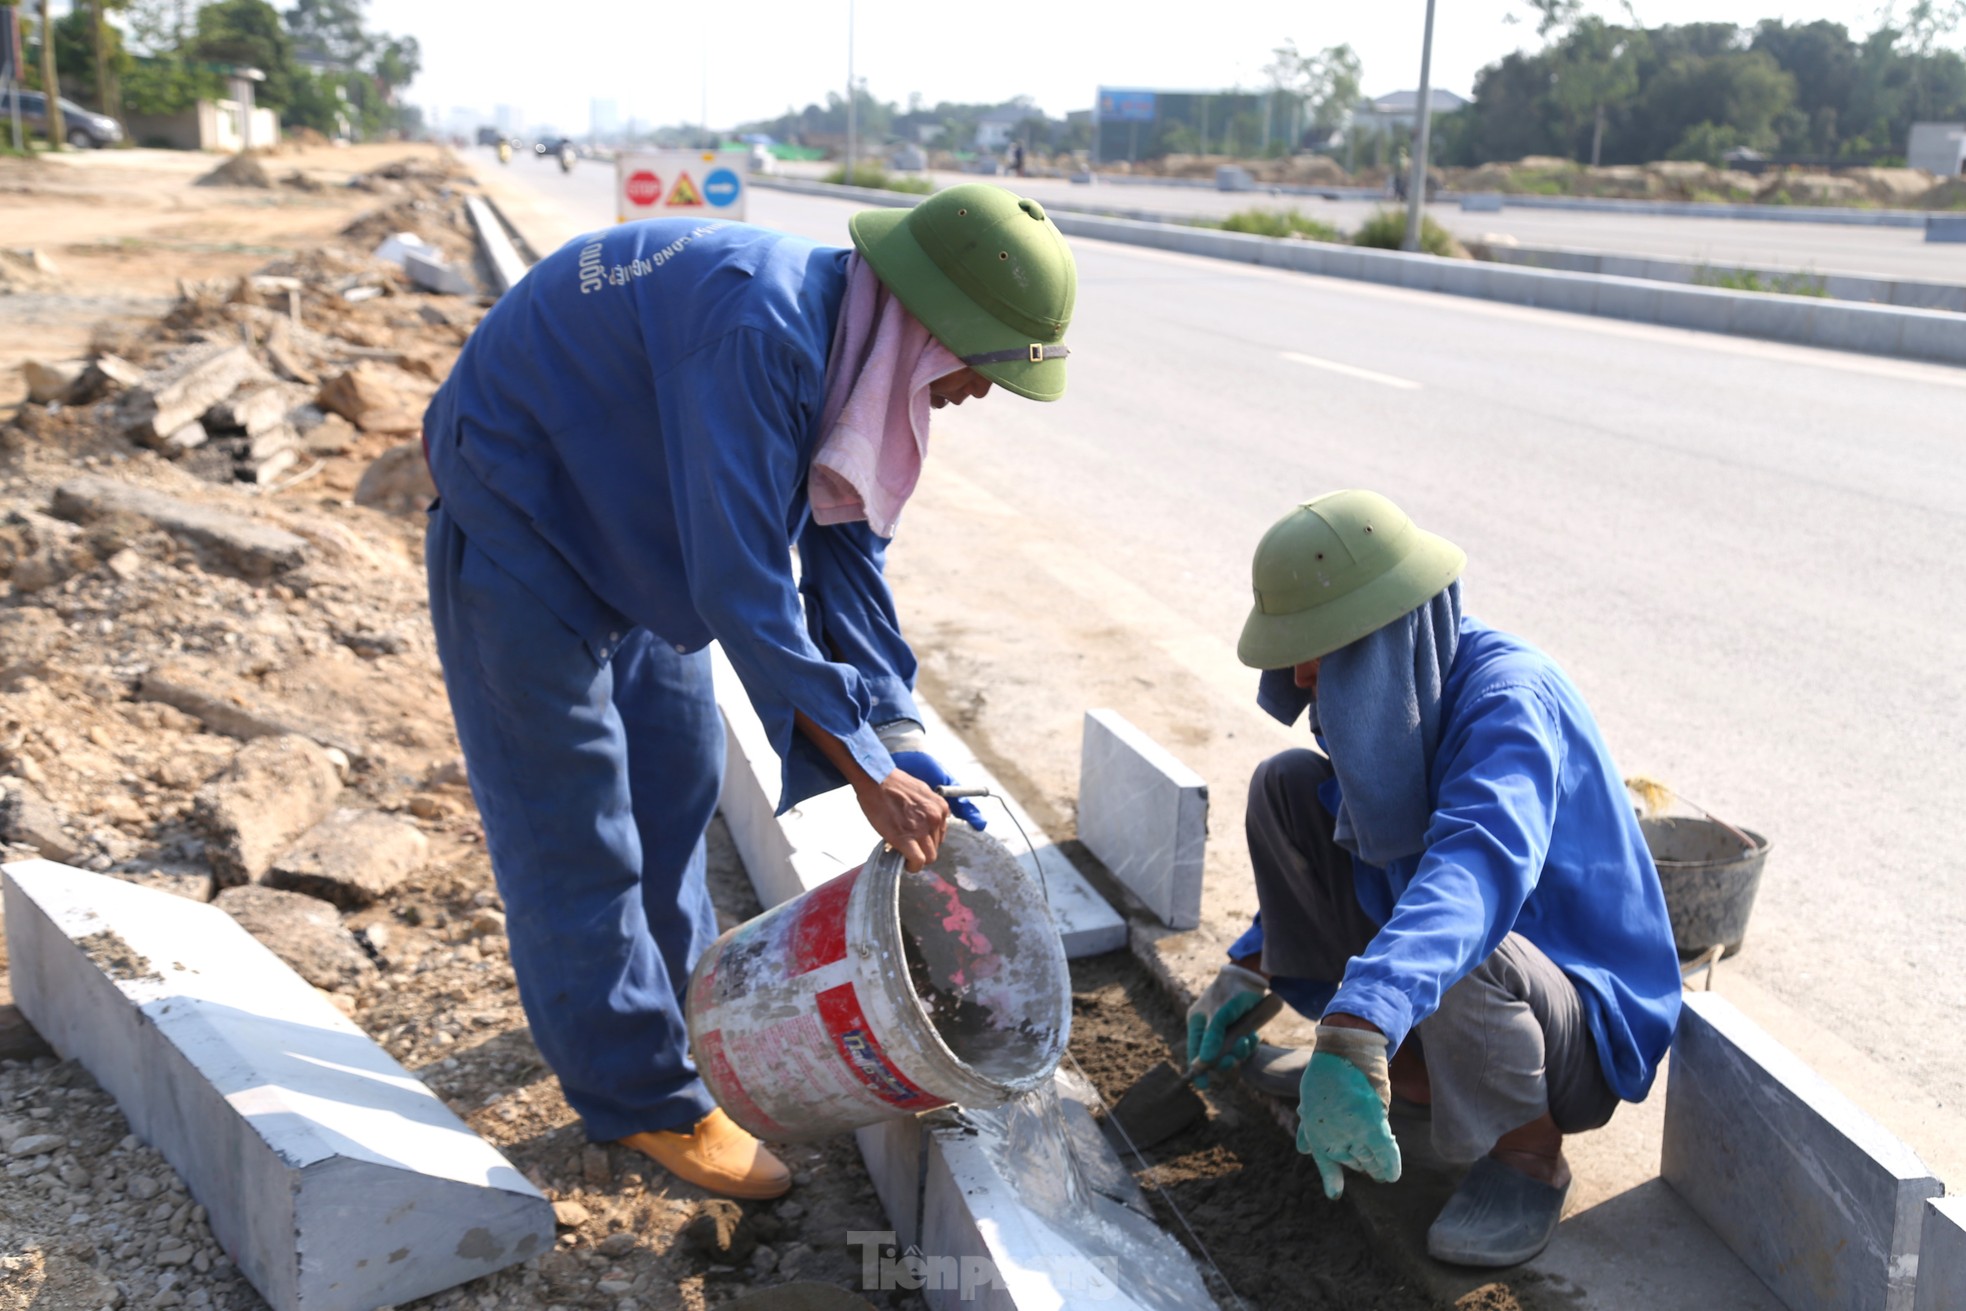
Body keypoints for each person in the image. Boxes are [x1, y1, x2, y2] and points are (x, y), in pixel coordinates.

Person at [420, 184, 1076, 1200]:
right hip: (526, 517)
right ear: (930, 324)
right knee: (575, 829)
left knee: (676, 781)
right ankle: (642, 1097)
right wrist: (860, 768)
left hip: (636, 533)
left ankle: (677, 1010)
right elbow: (741, 582)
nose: (977, 393)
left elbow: (843, 555)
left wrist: (894, 736)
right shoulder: (759, 329)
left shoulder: (854, 341)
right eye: (980, 366)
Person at [1186, 490, 1682, 1267]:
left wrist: (1355, 1023)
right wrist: (1249, 965)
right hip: (1471, 976)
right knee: (1287, 786)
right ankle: (1406, 1076)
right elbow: (1353, 825)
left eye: (1317, 648)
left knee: (1459, 933)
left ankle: (1526, 1152)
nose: (1304, 673)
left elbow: (1473, 877)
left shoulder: (1507, 702)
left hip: (1572, 1019)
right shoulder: (1394, 686)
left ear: (1377, 630)